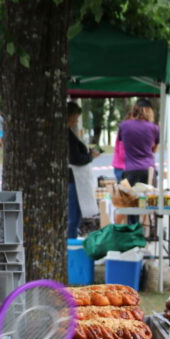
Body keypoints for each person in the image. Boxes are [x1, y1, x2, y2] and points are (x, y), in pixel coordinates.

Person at [66, 102, 99, 239]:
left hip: (75, 179)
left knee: (75, 216)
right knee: (73, 217)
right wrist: (90, 156)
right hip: (74, 180)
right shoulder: (67, 135)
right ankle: (70, 245)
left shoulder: (68, 133)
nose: (76, 121)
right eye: (75, 118)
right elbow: (75, 159)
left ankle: (71, 241)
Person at [118, 98, 159, 186]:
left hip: (130, 170)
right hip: (148, 170)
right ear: (149, 111)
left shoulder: (124, 125)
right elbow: (154, 150)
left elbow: (122, 143)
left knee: (130, 199)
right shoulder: (154, 128)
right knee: (150, 198)